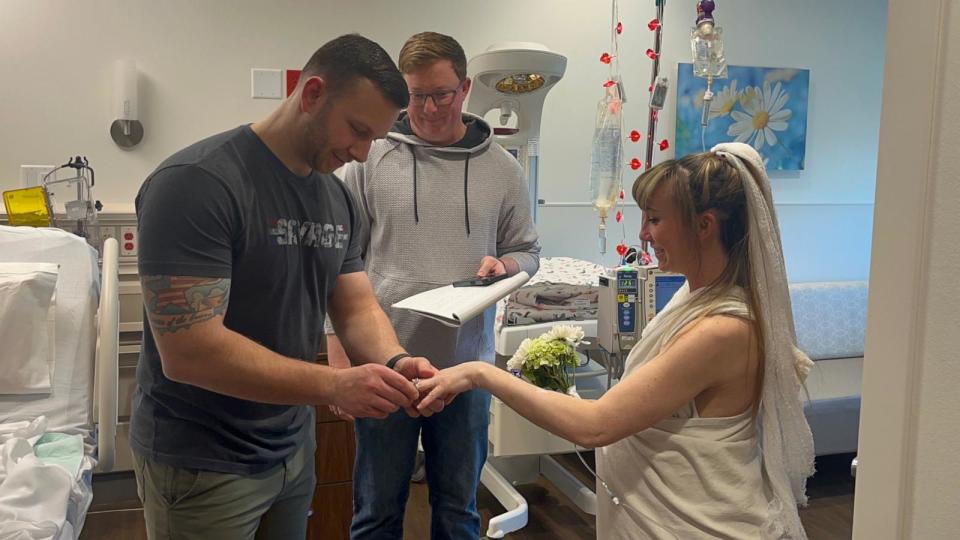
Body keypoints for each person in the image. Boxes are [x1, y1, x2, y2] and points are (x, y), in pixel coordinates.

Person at [417, 143, 816, 539]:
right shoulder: (694, 298)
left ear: (704, 225)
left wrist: (480, 375)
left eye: (655, 220)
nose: (643, 234)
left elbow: (596, 426)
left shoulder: (724, 330)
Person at [130, 34, 440, 540]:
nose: (361, 154)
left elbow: (356, 307)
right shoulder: (197, 183)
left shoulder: (335, 199)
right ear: (312, 93)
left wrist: (395, 362)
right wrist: (334, 385)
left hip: (291, 449)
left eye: (374, 140)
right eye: (357, 130)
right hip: (202, 462)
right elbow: (190, 352)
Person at [325, 31, 540, 540]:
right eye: (416, 95)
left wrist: (506, 265)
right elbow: (336, 261)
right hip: (382, 364)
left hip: (467, 368)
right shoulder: (369, 159)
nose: (428, 108)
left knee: (458, 510)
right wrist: (337, 357)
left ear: (465, 89)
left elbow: (528, 251)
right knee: (376, 511)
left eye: (441, 94)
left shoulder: (503, 170)